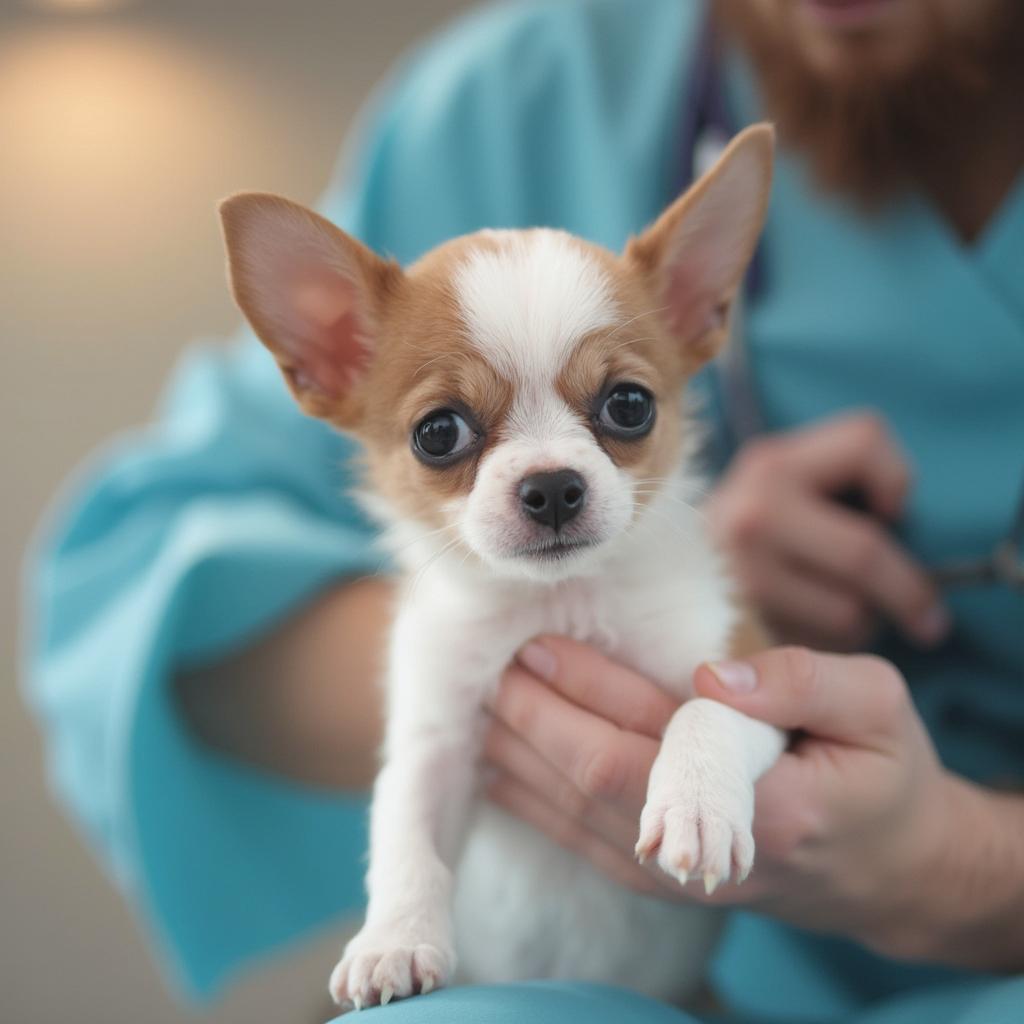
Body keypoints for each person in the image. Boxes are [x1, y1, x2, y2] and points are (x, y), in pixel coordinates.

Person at [24, 0, 1024, 1021]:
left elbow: (734, 720)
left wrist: (967, 867)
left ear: (693, 309)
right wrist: (508, 705)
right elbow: (140, 568)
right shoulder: (516, 97)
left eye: (619, 408)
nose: (548, 476)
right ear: (331, 360)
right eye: (447, 433)